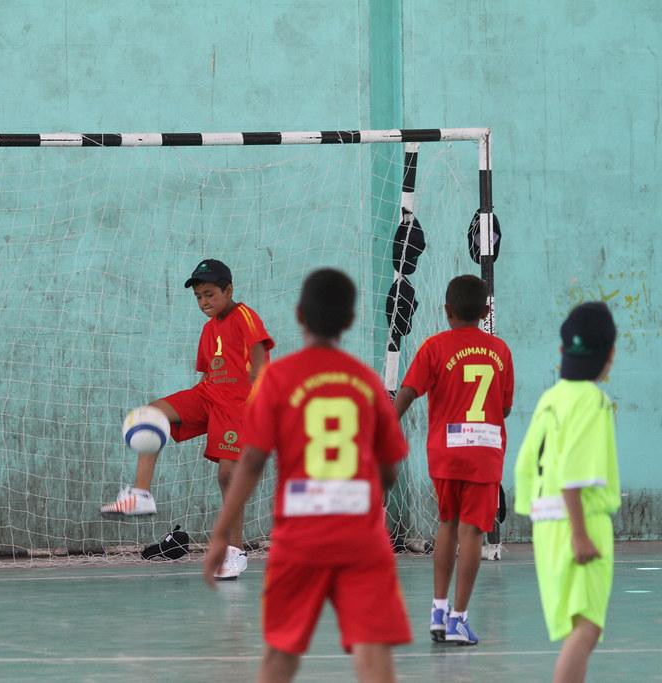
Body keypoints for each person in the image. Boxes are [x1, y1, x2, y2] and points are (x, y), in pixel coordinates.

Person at [204, 268, 411, 683]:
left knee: (281, 654)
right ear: (350, 321)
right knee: (373, 655)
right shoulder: (367, 382)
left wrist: (220, 536)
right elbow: (389, 467)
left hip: (300, 538)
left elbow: (250, 464)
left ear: (299, 316)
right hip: (360, 537)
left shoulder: (278, 380)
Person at [102, 259, 273, 580]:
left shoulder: (246, 317)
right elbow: (211, 373)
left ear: (229, 290)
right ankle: (140, 494)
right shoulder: (209, 329)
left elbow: (261, 367)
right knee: (150, 413)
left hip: (241, 405)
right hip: (209, 395)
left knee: (228, 475)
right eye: (198, 297)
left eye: (209, 294)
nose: (204, 302)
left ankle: (235, 552)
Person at [394, 274, 514, 645]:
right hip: (483, 452)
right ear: (485, 311)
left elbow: (407, 393)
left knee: (446, 524)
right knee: (472, 532)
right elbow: (505, 408)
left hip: (445, 451)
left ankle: (438, 610)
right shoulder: (501, 351)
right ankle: (459, 619)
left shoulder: (434, 347)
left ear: (447, 310)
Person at [514, 302, 619, 683]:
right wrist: (578, 531)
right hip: (581, 523)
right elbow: (575, 471)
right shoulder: (592, 402)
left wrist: (537, 511)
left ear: (562, 352)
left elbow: (525, 463)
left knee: (579, 625)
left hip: (547, 526)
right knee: (587, 628)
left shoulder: (551, 398)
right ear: (611, 353)